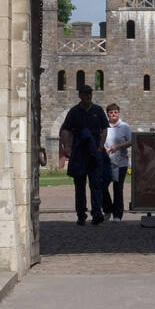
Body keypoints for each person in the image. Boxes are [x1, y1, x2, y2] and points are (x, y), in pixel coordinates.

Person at [60, 85, 109, 225]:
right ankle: (81, 214)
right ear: (80, 95)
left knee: (96, 184)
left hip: (94, 151)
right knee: (79, 185)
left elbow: (104, 129)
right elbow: (65, 130)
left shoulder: (98, 110)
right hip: (79, 151)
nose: (87, 96)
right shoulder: (74, 111)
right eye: (84, 94)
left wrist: (100, 145)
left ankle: (97, 212)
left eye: (89, 94)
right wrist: (67, 147)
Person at [102, 102, 132, 221]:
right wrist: (103, 148)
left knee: (118, 188)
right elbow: (101, 140)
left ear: (118, 113)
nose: (113, 114)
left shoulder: (124, 126)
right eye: (111, 112)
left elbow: (130, 141)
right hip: (107, 162)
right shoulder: (105, 126)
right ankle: (108, 209)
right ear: (107, 114)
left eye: (115, 112)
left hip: (121, 162)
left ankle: (117, 214)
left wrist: (118, 146)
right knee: (102, 186)